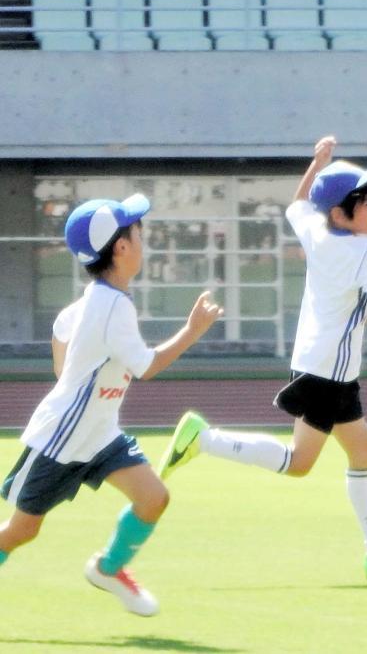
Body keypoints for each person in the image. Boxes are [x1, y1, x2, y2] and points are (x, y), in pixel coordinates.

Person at [157, 136, 367, 581]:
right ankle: (202, 439)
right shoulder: (366, 252)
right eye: (364, 200)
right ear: (340, 214)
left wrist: (317, 164)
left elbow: (298, 203)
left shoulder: (318, 231)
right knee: (301, 463)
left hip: (322, 365)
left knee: (361, 452)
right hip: (329, 372)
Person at [0, 194, 223, 616]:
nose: (142, 238)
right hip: (60, 441)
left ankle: (107, 568)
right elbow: (147, 366)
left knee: (153, 497)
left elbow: (61, 337)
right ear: (121, 247)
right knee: (21, 530)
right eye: (138, 231)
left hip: (100, 434)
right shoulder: (111, 306)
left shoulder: (97, 300)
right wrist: (194, 330)